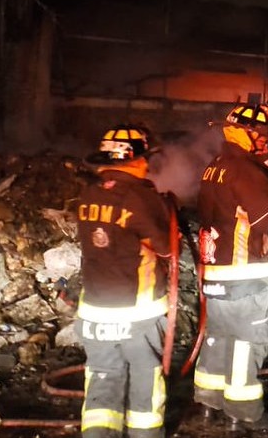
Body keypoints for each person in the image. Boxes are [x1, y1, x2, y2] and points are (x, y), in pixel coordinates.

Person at [194, 103, 268, 429]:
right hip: (245, 275)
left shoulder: (214, 166)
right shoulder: (246, 171)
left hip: (215, 271)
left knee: (217, 337)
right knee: (246, 341)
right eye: (263, 136)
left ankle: (207, 404)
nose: (266, 143)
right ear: (248, 132)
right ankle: (240, 413)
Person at [76, 124, 177, 438]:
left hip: (94, 309)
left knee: (102, 375)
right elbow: (166, 247)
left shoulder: (89, 193)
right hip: (138, 311)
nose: (147, 164)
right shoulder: (139, 196)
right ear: (135, 160)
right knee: (145, 375)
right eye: (144, 158)